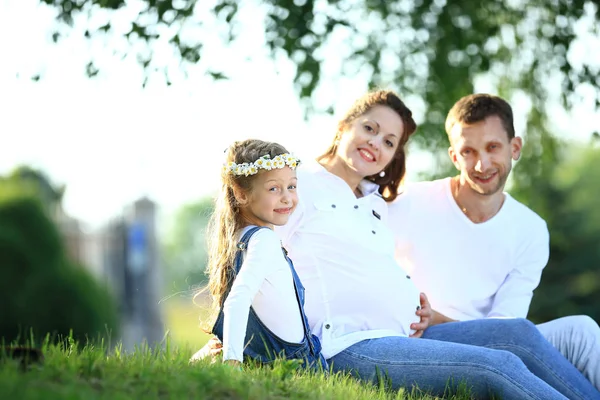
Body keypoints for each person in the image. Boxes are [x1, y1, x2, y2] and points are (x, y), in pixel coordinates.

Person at [193, 91, 600, 399]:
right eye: (370, 128)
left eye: (390, 141)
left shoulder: (374, 205)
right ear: (343, 128)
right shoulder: (300, 186)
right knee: (498, 366)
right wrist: (233, 337)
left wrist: (420, 310)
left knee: (520, 336)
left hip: (407, 335)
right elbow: (253, 250)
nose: (377, 144)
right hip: (349, 344)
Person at [387, 93, 600, 390]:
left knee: (583, 331)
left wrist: (441, 318)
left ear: (515, 148)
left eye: (492, 147)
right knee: (516, 338)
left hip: (499, 339)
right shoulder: (410, 202)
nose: (481, 164)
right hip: (424, 337)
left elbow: (506, 326)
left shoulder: (531, 230)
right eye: (468, 152)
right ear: (454, 156)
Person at [202, 139, 327, 370]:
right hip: (297, 366)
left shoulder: (237, 239)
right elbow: (237, 300)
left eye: (292, 186)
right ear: (241, 194)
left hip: (267, 361)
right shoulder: (264, 240)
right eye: (274, 188)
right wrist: (232, 361)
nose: (287, 197)